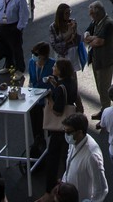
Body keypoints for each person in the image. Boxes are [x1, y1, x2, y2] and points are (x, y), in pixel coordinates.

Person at [43, 58, 83, 190]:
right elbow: (70, 96)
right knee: (67, 155)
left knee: (53, 158)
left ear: (61, 71)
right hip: (70, 123)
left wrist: (49, 98)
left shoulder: (61, 88)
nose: (53, 68)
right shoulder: (71, 81)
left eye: (55, 67)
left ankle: (50, 187)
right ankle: (69, 184)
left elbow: (58, 111)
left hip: (59, 128)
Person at [83, 0, 113, 118]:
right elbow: (86, 35)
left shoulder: (108, 24)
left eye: (91, 14)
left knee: (104, 89)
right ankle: (104, 110)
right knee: (100, 87)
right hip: (96, 60)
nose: (90, 16)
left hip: (105, 61)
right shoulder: (96, 22)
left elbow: (99, 42)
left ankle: (107, 116)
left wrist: (92, 39)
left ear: (97, 14)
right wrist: (92, 38)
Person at [61, 113, 108, 202]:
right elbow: (70, 164)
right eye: (64, 131)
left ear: (79, 132)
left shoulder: (92, 156)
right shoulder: (74, 142)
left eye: (68, 132)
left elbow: (102, 189)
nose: (66, 135)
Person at [0, 0, 31, 72]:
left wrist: (19, 28)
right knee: (5, 48)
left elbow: (24, 13)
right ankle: (8, 66)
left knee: (16, 50)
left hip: (13, 27)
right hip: (1, 26)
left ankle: (19, 69)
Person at [28, 42, 55, 149]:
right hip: (35, 97)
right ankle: (38, 140)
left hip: (48, 98)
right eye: (33, 53)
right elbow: (32, 79)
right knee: (35, 120)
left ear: (43, 55)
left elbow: (56, 83)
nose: (33, 56)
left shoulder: (53, 64)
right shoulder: (31, 62)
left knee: (49, 123)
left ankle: (50, 143)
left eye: (36, 54)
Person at [49, 3, 82, 72]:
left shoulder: (72, 22)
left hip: (72, 54)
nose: (69, 15)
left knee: (73, 75)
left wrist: (74, 30)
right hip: (61, 56)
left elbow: (78, 40)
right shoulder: (53, 27)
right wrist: (68, 37)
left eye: (69, 12)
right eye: (66, 13)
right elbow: (54, 44)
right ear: (61, 14)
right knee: (63, 74)